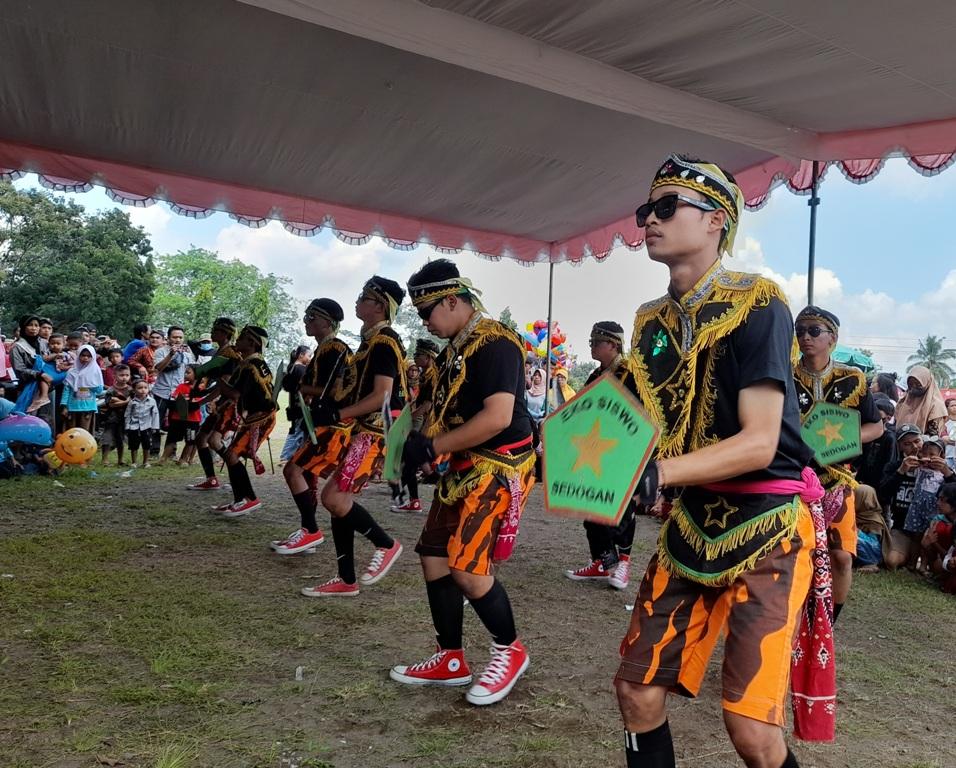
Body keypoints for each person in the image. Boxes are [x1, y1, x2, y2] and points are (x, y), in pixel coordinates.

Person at [615, 155, 815, 768]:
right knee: (636, 692)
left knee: (751, 731)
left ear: (716, 222)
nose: (650, 219)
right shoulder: (649, 321)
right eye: (648, 209)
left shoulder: (759, 303)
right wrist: (572, 452)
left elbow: (759, 442)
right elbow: (635, 416)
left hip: (768, 525)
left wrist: (660, 473)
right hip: (690, 527)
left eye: (668, 207)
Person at [390, 258, 535, 706]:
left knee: (468, 572)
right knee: (433, 558)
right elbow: (443, 409)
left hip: (500, 465)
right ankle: (451, 658)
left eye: (427, 311)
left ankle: (510, 651)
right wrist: (422, 444)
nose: (425, 323)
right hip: (463, 466)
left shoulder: (496, 343)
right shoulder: (453, 350)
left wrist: (434, 447)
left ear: (453, 300)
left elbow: (498, 418)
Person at [299, 277, 406, 597]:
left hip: (376, 430)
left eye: (364, 297)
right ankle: (346, 579)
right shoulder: (370, 341)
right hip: (364, 428)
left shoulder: (384, 341)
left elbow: (383, 396)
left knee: (333, 498)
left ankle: (386, 544)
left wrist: (337, 415)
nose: (357, 301)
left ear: (379, 305)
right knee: (337, 501)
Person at [792, 305, 883, 622]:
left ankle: (828, 623)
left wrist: (839, 441)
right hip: (794, 479)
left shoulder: (852, 379)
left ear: (832, 337)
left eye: (814, 331)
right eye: (800, 331)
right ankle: (789, 616)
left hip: (837, 479)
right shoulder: (785, 375)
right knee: (793, 553)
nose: (806, 337)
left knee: (842, 557)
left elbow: (876, 426)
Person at [564, 321, 642, 590]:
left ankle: (623, 564)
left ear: (613, 344)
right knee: (592, 508)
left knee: (620, 510)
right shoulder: (596, 375)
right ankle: (603, 561)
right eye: (591, 342)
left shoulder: (632, 375)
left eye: (596, 342)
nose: (592, 347)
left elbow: (640, 416)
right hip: (593, 452)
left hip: (621, 453)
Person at [275, 299, 351, 555]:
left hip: (333, 424)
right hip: (319, 422)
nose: (306, 321)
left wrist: (300, 387)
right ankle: (308, 532)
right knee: (305, 475)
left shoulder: (335, 348)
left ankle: (311, 530)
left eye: (312, 317)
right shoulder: (323, 349)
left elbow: (330, 390)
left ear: (327, 322)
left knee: (293, 471)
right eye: (306, 316)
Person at [207, 325, 277, 517]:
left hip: (261, 418)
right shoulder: (251, 363)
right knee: (230, 455)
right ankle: (240, 499)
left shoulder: (251, 366)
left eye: (243, 338)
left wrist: (219, 380)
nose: (237, 340)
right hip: (255, 415)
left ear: (252, 343)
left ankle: (249, 499)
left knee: (231, 455)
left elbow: (235, 394)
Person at [187, 317, 242, 491]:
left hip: (228, 403)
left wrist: (202, 401)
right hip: (221, 402)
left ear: (225, 334)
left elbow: (222, 386)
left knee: (214, 441)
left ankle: (237, 477)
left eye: (216, 330)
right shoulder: (220, 353)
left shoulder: (230, 355)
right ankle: (211, 479)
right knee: (201, 439)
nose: (212, 333)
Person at [390, 337, 442, 513]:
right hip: (424, 423)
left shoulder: (434, 376)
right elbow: (420, 402)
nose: (415, 356)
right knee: (410, 462)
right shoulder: (426, 375)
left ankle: (412, 498)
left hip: (429, 424)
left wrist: (408, 419)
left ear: (428, 357)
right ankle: (413, 500)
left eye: (418, 354)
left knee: (410, 461)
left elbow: (428, 405)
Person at [151, 326, 195, 453]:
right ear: (168, 338)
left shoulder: (187, 353)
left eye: (180, 337)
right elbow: (158, 368)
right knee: (156, 422)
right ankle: (154, 450)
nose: (178, 340)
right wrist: (171, 354)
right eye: (175, 337)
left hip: (180, 393)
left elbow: (192, 371)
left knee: (177, 422)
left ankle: (171, 451)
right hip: (161, 391)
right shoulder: (161, 351)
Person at [159, 364, 203, 465]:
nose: (185, 375)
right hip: (177, 418)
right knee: (172, 438)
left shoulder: (200, 389)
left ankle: (183, 459)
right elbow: (175, 398)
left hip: (193, 420)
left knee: (190, 440)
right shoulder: (181, 386)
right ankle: (163, 458)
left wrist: (186, 400)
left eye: (188, 372)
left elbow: (197, 402)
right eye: (185, 372)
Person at [278, 344, 313, 463]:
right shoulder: (301, 369)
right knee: (298, 431)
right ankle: (285, 456)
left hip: (294, 404)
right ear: (301, 355)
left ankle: (292, 456)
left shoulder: (292, 367)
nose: (310, 358)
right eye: (309, 355)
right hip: (300, 405)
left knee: (296, 431)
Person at [854, 394, 898, 490]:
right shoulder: (867, 434)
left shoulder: (889, 438)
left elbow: (889, 463)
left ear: (888, 418)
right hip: (861, 480)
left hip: (878, 483)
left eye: (880, 416)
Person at [61, 344, 105, 433]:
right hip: (72, 407)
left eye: (89, 356)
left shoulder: (95, 371)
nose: (85, 358)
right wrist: (64, 406)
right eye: (83, 355)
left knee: (85, 432)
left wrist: (89, 384)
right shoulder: (71, 372)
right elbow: (67, 390)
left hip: (87, 407)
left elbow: (99, 390)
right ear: (78, 356)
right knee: (71, 432)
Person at [22, 333, 69, 413]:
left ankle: (44, 397)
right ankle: (41, 398)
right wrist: (54, 355)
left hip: (58, 374)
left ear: (63, 345)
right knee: (42, 380)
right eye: (52, 343)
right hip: (49, 375)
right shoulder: (47, 352)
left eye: (58, 343)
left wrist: (65, 367)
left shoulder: (66, 355)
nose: (55, 345)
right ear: (48, 344)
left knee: (44, 378)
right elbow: (44, 359)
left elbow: (72, 364)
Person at [895, 365, 947, 436]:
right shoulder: (903, 402)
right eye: (911, 384)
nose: (914, 386)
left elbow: (933, 433)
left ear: (927, 383)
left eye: (918, 384)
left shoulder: (936, 405)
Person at [919, 482, 956, 578]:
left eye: (942, 500)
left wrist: (935, 543)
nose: (938, 503)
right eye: (938, 499)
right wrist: (927, 545)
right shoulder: (938, 520)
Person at [99, 364, 132, 466]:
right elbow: (110, 404)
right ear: (115, 376)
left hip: (124, 418)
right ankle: (104, 459)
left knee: (120, 439)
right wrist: (125, 402)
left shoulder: (131, 390)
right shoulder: (111, 390)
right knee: (107, 438)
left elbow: (133, 402)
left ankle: (120, 460)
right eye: (121, 375)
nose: (124, 377)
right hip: (111, 418)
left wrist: (119, 401)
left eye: (127, 375)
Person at [125, 378, 159, 467]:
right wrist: (127, 426)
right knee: (134, 445)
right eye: (140, 388)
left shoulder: (152, 401)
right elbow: (128, 414)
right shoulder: (132, 402)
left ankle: (146, 462)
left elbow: (155, 414)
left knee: (147, 445)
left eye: (145, 387)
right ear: (134, 390)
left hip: (147, 426)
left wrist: (155, 427)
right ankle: (134, 462)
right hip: (134, 426)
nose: (143, 390)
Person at [942, 398, 956, 471]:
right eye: (952, 405)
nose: (955, 407)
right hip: (948, 454)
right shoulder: (944, 422)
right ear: (947, 408)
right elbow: (944, 438)